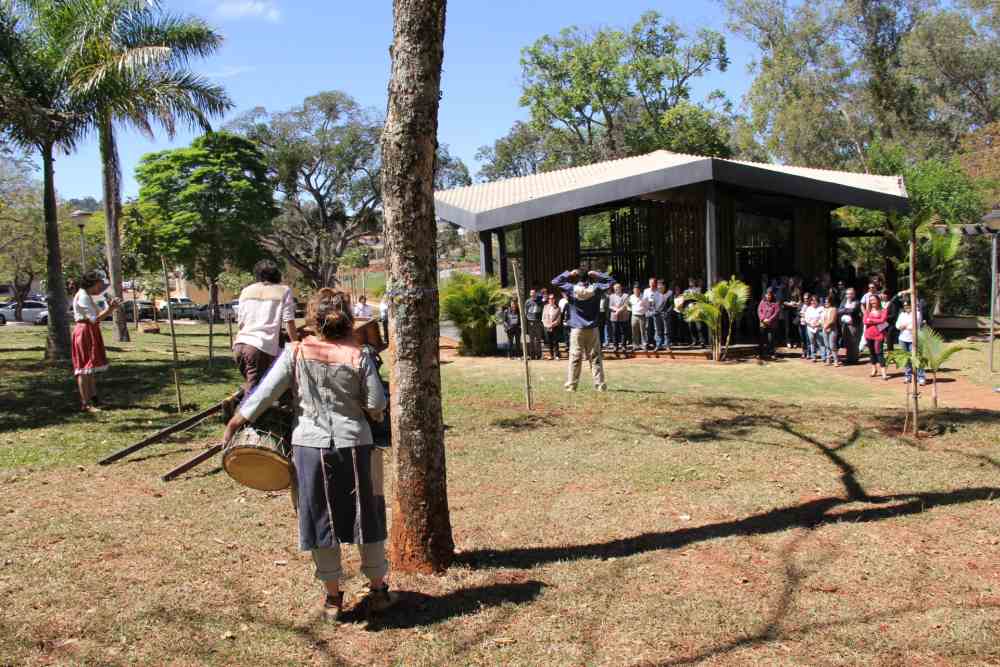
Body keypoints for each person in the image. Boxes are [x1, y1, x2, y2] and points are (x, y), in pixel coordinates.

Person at [223, 289, 393, 622]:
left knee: (319, 520)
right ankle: (378, 592)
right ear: (348, 320)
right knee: (367, 516)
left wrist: (235, 421)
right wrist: (367, 412)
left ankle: (333, 600)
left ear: (313, 319)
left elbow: (264, 394)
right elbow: (376, 403)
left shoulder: (295, 352)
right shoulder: (361, 355)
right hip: (356, 447)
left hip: (309, 449)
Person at [233, 260, 299, 391]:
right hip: (259, 348)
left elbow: (241, 323)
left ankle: (238, 400)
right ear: (277, 274)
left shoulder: (246, 291)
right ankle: (240, 404)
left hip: (239, 346)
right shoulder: (284, 290)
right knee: (255, 395)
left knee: (255, 387)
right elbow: (289, 321)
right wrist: (296, 344)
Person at [552, 268, 613, 391]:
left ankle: (572, 385)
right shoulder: (596, 288)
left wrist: (569, 274)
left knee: (575, 357)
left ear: (577, 277)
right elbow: (611, 281)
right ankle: (600, 385)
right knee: (595, 357)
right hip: (592, 328)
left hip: (577, 329)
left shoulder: (571, 289)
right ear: (589, 277)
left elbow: (555, 281)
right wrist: (597, 274)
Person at [72, 271, 120, 412]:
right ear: (91, 284)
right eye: (99, 285)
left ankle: (94, 399)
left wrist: (110, 308)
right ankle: (86, 404)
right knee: (84, 369)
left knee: (90, 368)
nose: (100, 288)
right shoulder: (83, 297)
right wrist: (110, 309)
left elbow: (98, 315)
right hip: (84, 331)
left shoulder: (86, 296)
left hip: (90, 330)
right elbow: (94, 319)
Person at [896, 297, 926, 385]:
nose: (906, 307)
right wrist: (901, 326)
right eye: (905, 306)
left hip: (914, 338)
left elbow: (914, 325)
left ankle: (921, 377)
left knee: (917, 358)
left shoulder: (917, 313)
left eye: (908, 305)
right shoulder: (902, 314)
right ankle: (908, 376)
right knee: (906, 358)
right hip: (903, 338)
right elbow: (897, 324)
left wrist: (904, 326)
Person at [863, 294, 889, 380]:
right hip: (869, 334)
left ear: (878, 300)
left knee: (879, 352)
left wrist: (871, 320)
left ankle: (884, 373)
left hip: (879, 334)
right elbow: (865, 321)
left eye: (874, 300)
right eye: (871, 300)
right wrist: (876, 321)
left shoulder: (883, 310)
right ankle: (874, 369)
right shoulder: (868, 311)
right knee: (871, 352)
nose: (872, 302)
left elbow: (883, 320)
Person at [838, 288, 862, 365]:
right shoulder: (844, 301)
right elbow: (839, 311)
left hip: (854, 324)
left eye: (851, 293)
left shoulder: (857, 302)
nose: (849, 295)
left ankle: (854, 359)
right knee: (847, 341)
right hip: (845, 324)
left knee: (854, 341)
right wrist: (847, 309)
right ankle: (849, 358)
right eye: (848, 294)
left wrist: (844, 310)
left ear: (854, 294)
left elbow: (853, 311)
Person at [757, 288, 781, 359]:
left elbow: (776, 313)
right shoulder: (762, 301)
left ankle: (771, 353)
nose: (768, 296)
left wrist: (769, 320)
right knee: (761, 339)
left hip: (772, 324)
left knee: (771, 339)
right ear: (765, 295)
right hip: (763, 323)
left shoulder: (775, 302)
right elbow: (759, 310)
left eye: (770, 295)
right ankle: (760, 353)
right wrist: (763, 318)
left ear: (772, 295)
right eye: (767, 295)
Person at [608, 283, 630, 353]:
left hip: (623, 316)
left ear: (621, 288)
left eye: (617, 288)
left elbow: (625, 305)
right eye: (615, 289)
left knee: (623, 332)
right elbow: (610, 306)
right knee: (614, 332)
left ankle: (623, 346)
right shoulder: (611, 296)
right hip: (614, 316)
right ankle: (615, 346)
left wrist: (618, 310)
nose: (616, 289)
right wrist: (616, 310)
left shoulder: (625, 295)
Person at [684, 278, 706, 347]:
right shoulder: (686, 291)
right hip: (689, 310)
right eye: (690, 282)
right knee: (691, 326)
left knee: (699, 327)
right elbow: (684, 300)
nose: (691, 283)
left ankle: (702, 341)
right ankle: (694, 341)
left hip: (697, 309)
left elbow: (701, 298)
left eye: (692, 281)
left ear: (694, 282)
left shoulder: (698, 289)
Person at [804, 294, 826, 362]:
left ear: (817, 301)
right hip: (810, 328)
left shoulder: (821, 308)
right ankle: (813, 356)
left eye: (815, 300)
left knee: (821, 343)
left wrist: (817, 324)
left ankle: (823, 357)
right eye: (812, 300)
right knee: (812, 343)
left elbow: (823, 317)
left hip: (819, 328)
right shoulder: (808, 309)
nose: (813, 302)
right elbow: (806, 318)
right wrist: (811, 324)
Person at [524, 288, 544, 360]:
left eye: (534, 293)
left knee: (538, 339)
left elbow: (542, 310)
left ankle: (539, 355)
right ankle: (532, 355)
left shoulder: (539, 301)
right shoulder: (527, 302)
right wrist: (527, 320)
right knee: (531, 340)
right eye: (531, 293)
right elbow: (525, 312)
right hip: (530, 322)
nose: (532, 294)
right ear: (530, 294)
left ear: (536, 293)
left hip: (538, 322)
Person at [541, 292, 563, 360]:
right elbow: (543, 318)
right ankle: (551, 355)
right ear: (548, 300)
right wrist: (547, 325)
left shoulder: (558, 308)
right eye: (550, 299)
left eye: (552, 298)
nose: (551, 300)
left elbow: (559, 319)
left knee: (555, 341)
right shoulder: (545, 307)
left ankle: (557, 355)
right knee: (549, 341)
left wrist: (553, 324)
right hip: (547, 327)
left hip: (555, 327)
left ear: (554, 300)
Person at [822, 290, 841, 366]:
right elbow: (821, 319)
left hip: (832, 329)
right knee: (827, 345)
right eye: (825, 302)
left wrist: (826, 326)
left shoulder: (834, 309)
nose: (826, 303)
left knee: (832, 345)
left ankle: (836, 360)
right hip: (824, 329)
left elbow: (833, 320)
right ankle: (828, 360)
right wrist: (823, 325)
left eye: (827, 302)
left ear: (831, 302)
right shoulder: (824, 309)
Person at [628, 283, 647, 352]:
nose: (636, 291)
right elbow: (628, 305)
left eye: (637, 289)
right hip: (634, 316)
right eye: (635, 289)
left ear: (639, 290)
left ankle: (644, 345)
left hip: (642, 316)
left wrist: (643, 311)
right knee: (634, 331)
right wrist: (631, 310)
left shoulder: (644, 297)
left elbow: (647, 306)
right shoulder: (631, 297)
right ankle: (636, 345)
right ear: (633, 290)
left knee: (643, 331)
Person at [798, 292, 813, 360]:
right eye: (804, 298)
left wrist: (806, 314)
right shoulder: (801, 304)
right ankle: (803, 352)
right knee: (802, 339)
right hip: (801, 324)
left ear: (810, 298)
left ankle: (809, 353)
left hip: (808, 325)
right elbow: (797, 312)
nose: (805, 300)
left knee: (808, 339)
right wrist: (800, 314)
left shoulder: (811, 306)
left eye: (807, 298)